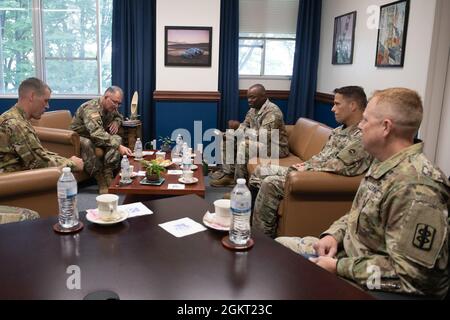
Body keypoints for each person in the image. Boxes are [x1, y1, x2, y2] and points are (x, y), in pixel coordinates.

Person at [277, 88, 449, 299]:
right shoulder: (383, 162)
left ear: (385, 127)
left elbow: (411, 275)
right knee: (279, 248)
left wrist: (338, 267)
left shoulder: (417, 186)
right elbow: (359, 214)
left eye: (365, 120)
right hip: (351, 255)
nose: (360, 125)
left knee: (286, 274)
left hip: (372, 282)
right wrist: (333, 235)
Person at [250, 86, 373, 238]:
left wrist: (306, 170)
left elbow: (339, 167)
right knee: (260, 171)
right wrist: (306, 165)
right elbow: (323, 157)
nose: (333, 109)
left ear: (353, 105)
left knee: (270, 182)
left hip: (318, 179)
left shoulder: (361, 137)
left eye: (337, 104)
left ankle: (262, 236)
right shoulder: (338, 131)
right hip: (309, 169)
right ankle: (250, 216)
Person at [210, 84, 289, 187]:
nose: (249, 100)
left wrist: (239, 128)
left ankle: (239, 185)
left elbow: (263, 137)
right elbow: (244, 126)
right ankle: (229, 175)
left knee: (244, 145)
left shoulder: (273, 112)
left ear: (263, 97)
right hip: (260, 143)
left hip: (276, 147)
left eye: (253, 97)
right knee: (228, 138)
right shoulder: (253, 110)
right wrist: (231, 134)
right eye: (248, 97)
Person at [0, 77, 83, 173]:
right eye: (45, 101)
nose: (47, 106)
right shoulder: (15, 124)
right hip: (12, 179)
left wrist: (66, 160)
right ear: (32, 96)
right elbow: (38, 163)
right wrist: (72, 163)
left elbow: (40, 154)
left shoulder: (17, 118)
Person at [70, 86, 133, 194]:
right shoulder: (90, 108)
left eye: (119, 103)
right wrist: (118, 147)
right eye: (115, 102)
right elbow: (96, 133)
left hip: (95, 136)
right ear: (106, 97)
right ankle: (100, 179)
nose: (117, 106)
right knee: (87, 143)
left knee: (117, 138)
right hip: (79, 137)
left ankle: (108, 173)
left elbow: (119, 116)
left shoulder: (111, 107)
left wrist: (116, 122)